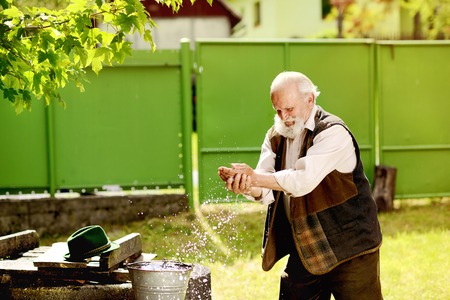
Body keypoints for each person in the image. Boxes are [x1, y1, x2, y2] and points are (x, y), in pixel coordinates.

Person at [218, 71, 383, 300]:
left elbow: (301, 181)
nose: (284, 117)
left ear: (310, 100)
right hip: (308, 245)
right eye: (278, 110)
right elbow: (266, 187)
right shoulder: (275, 136)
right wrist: (246, 184)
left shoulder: (333, 132)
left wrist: (255, 177)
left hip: (351, 247)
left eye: (289, 109)